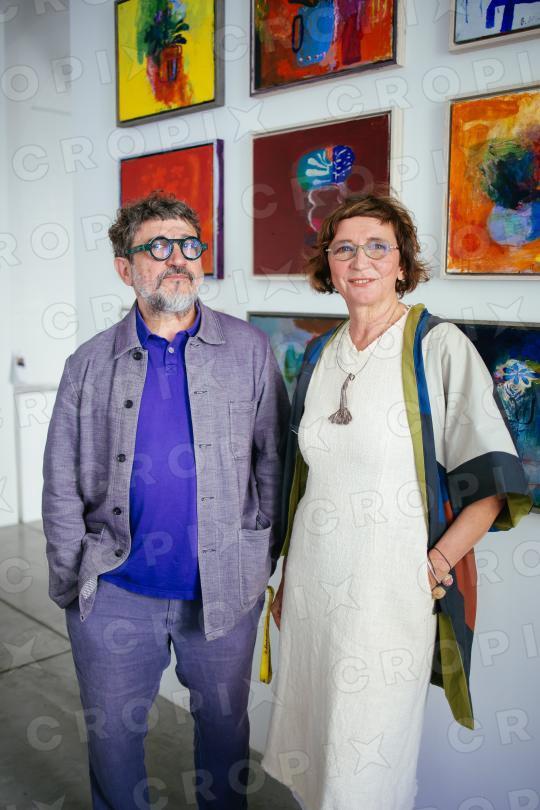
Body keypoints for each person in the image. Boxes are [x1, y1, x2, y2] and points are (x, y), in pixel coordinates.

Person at [262, 193, 531, 810]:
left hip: (388, 597)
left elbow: (491, 484)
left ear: (403, 263)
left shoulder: (438, 347)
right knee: (314, 754)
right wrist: (286, 577)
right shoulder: (320, 352)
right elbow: (305, 481)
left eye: (377, 247)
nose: (360, 261)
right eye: (344, 249)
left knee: (365, 767)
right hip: (311, 591)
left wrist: (433, 566)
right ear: (329, 265)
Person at [42, 192, 290, 810]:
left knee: (226, 741)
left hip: (223, 590)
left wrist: (257, 555)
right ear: (125, 268)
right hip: (115, 593)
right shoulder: (88, 363)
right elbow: (60, 479)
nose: (177, 258)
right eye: (157, 246)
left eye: (188, 245)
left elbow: (273, 460)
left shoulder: (250, 351)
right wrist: (74, 578)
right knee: (114, 745)